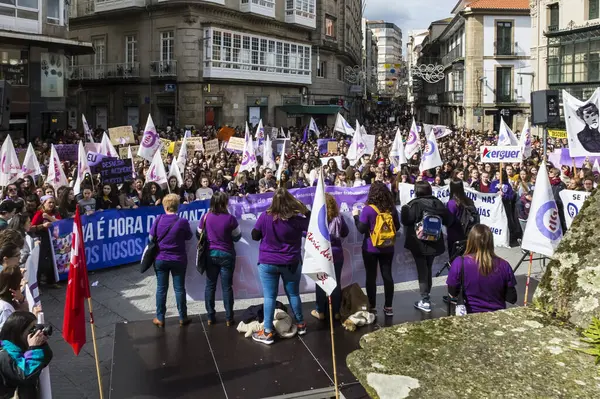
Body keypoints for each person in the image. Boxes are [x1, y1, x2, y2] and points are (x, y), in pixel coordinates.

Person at [251, 188, 310, 345]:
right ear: (291, 201)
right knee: (294, 294)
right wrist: (304, 209)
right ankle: (301, 324)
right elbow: (313, 223)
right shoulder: (297, 219)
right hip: (291, 262)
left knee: (270, 296)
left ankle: (268, 331)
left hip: (268, 262)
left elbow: (254, 235)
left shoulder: (265, 216)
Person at [401, 181, 452, 313]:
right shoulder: (438, 203)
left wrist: (405, 209)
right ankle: (426, 295)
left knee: (422, 270)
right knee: (427, 268)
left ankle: (425, 300)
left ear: (417, 191)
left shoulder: (414, 204)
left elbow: (406, 221)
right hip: (434, 242)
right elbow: (448, 220)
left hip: (419, 243)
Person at [353, 182, 400, 316]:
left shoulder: (368, 209)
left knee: (371, 276)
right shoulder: (391, 208)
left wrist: (355, 216)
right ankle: (388, 307)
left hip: (370, 247)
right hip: (388, 247)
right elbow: (397, 226)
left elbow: (361, 229)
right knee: (387, 275)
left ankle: (372, 306)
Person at [446, 224, 517, 313]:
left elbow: (452, 293)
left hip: (470, 315)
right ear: (491, 242)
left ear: (470, 240)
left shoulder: (459, 263)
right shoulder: (504, 265)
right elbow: (512, 298)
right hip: (497, 315)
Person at [149, 194, 192, 328]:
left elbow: (151, 238)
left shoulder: (158, 219)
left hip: (161, 259)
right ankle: (182, 317)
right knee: (179, 289)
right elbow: (189, 236)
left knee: (161, 289)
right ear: (177, 206)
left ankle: (160, 317)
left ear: (165, 206)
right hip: (178, 259)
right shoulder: (182, 221)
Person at [198, 192, 241, 326]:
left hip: (211, 254)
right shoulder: (230, 218)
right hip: (227, 254)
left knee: (210, 286)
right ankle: (229, 318)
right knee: (227, 287)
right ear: (224, 203)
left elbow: (198, 234)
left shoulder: (206, 217)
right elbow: (237, 236)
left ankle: (210, 316)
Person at [312, 193, 348, 321]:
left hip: (322, 254)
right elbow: (345, 232)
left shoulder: (316, 217)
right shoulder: (339, 218)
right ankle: (336, 312)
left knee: (321, 282)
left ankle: (320, 311)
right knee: (335, 283)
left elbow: (308, 233)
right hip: (336, 254)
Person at [0, 311, 52, 398]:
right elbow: (26, 375)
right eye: (31, 329)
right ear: (18, 332)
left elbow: (46, 356)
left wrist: (40, 344)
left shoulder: (19, 346)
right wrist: (34, 348)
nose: (34, 333)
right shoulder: (4, 355)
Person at [30, 196, 61, 285]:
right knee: (41, 261)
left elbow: (60, 222)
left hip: (54, 238)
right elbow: (31, 228)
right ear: (43, 203)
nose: (51, 205)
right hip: (43, 238)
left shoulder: (54, 212)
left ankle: (51, 281)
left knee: (52, 259)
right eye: (49, 202)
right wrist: (42, 226)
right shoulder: (39, 214)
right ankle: (37, 283)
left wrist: (48, 217)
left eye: (53, 203)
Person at [446, 179, 477, 259]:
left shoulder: (452, 203)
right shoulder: (469, 200)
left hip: (455, 234)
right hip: (468, 233)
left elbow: (449, 219)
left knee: (455, 258)